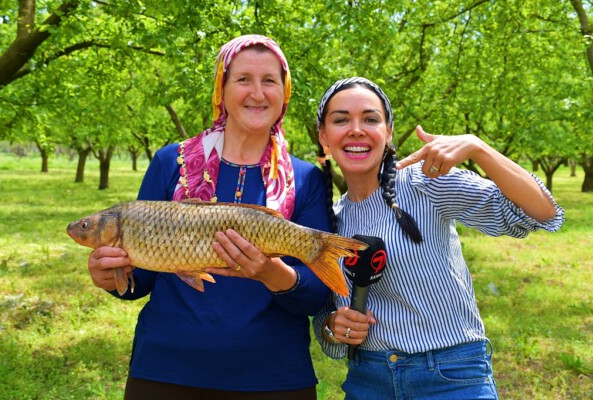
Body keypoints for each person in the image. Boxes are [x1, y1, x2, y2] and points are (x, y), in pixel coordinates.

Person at [87, 34, 332, 400]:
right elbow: (142, 279)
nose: (257, 92)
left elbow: (314, 297)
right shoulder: (171, 163)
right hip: (167, 370)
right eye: (243, 79)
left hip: (274, 375)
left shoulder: (306, 178)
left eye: (269, 80)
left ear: (285, 91)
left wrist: (269, 271)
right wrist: (113, 276)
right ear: (222, 87)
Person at [312, 77, 565, 400]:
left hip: (451, 377)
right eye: (341, 119)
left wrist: (479, 148)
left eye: (371, 119)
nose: (357, 129)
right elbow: (324, 318)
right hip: (367, 381)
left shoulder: (425, 184)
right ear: (324, 137)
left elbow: (540, 213)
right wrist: (334, 327)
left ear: (388, 132)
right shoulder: (329, 220)